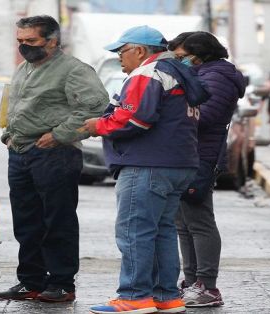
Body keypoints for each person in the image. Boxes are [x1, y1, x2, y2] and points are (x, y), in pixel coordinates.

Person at [84, 25, 210, 314]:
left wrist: (98, 125)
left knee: (135, 231)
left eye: (121, 50)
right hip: (180, 164)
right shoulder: (181, 73)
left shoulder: (147, 73)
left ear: (139, 50)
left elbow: (134, 121)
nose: (119, 57)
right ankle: (165, 295)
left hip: (148, 164)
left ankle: (134, 295)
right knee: (162, 231)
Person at [0, 15, 109, 303]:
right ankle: (30, 281)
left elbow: (96, 107)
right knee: (26, 220)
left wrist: (59, 134)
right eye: (20, 41)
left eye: (30, 41)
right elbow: (16, 106)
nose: (24, 46)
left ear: (52, 40)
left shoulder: (73, 70)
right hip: (20, 152)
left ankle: (61, 283)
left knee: (58, 219)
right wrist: (8, 135)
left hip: (55, 153)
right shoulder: (24, 69)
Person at [168, 31, 245, 308]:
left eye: (181, 57)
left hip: (200, 155)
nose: (179, 62)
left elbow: (206, 115)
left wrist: (169, 112)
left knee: (199, 222)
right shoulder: (202, 73)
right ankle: (192, 283)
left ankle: (207, 286)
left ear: (200, 54)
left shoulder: (218, 76)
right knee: (184, 224)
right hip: (186, 153)